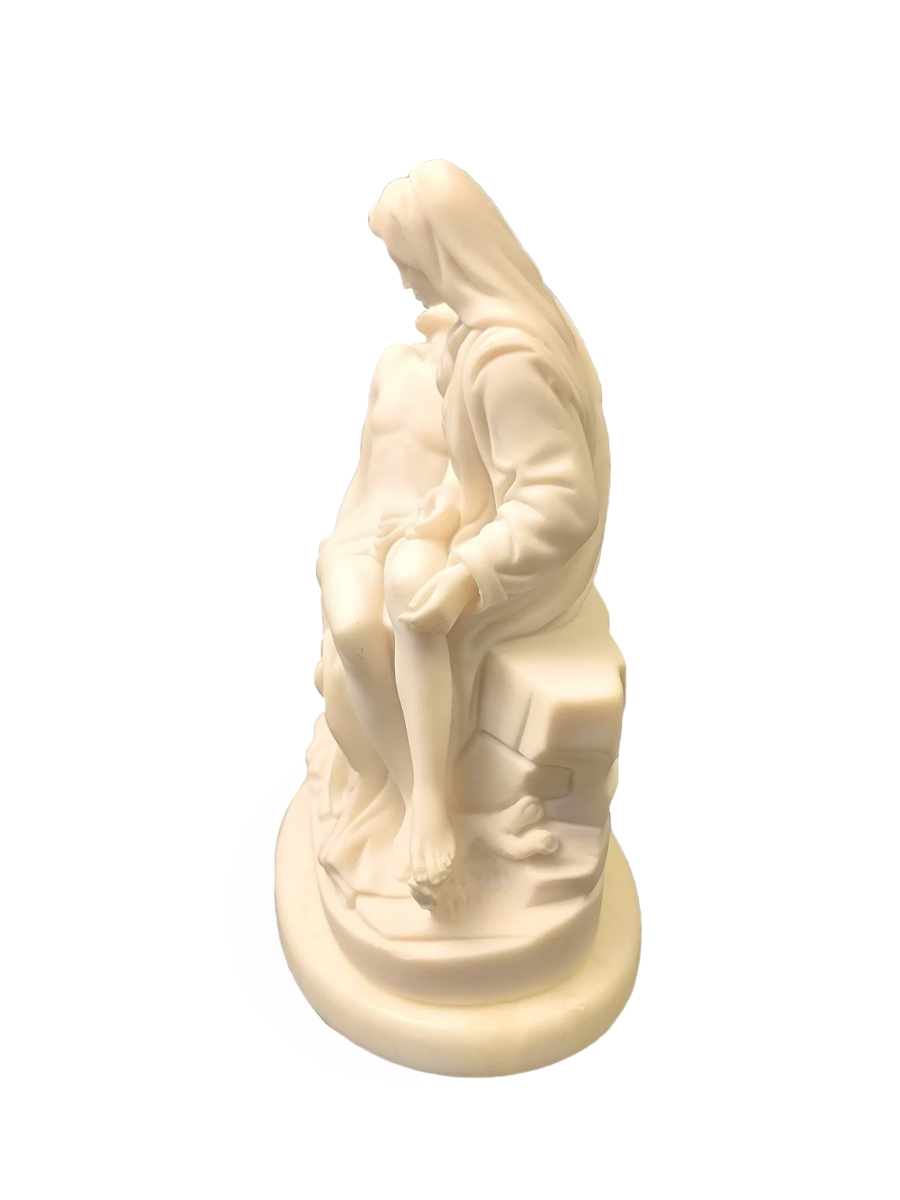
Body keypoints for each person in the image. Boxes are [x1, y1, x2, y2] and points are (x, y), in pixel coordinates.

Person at [369, 161, 611, 908]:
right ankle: (422, 791)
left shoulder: (509, 361)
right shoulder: (479, 332)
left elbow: (559, 501)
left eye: (410, 263)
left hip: (539, 559)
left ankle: (431, 803)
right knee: (402, 568)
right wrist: (447, 509)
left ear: (445, 254)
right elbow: (481, 458)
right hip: (505, 529)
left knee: (412, 595)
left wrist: (468, 574)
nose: (405, 281)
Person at [316, 305, 455, 882]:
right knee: (351, 631)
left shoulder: (475, 379)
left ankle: (426, 803)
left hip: (415, 532)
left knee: (395, 626)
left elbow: (484, 485)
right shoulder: (393, 363)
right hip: (360, 528)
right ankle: (410, 789)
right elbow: (365, 463)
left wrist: (435, 521)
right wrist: (335, 534)